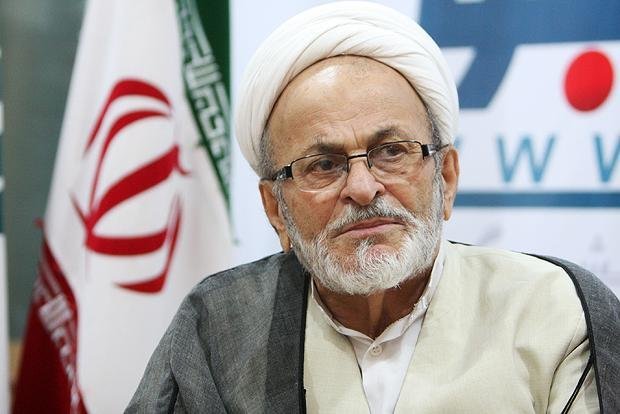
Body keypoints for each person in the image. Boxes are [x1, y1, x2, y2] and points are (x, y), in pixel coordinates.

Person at [126, 2, 619, 413]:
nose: (363, 188)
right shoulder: (221, 324)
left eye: (391, 152)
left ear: (446, 178)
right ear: (276, 209)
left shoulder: (553, 309)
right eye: (323, 164)